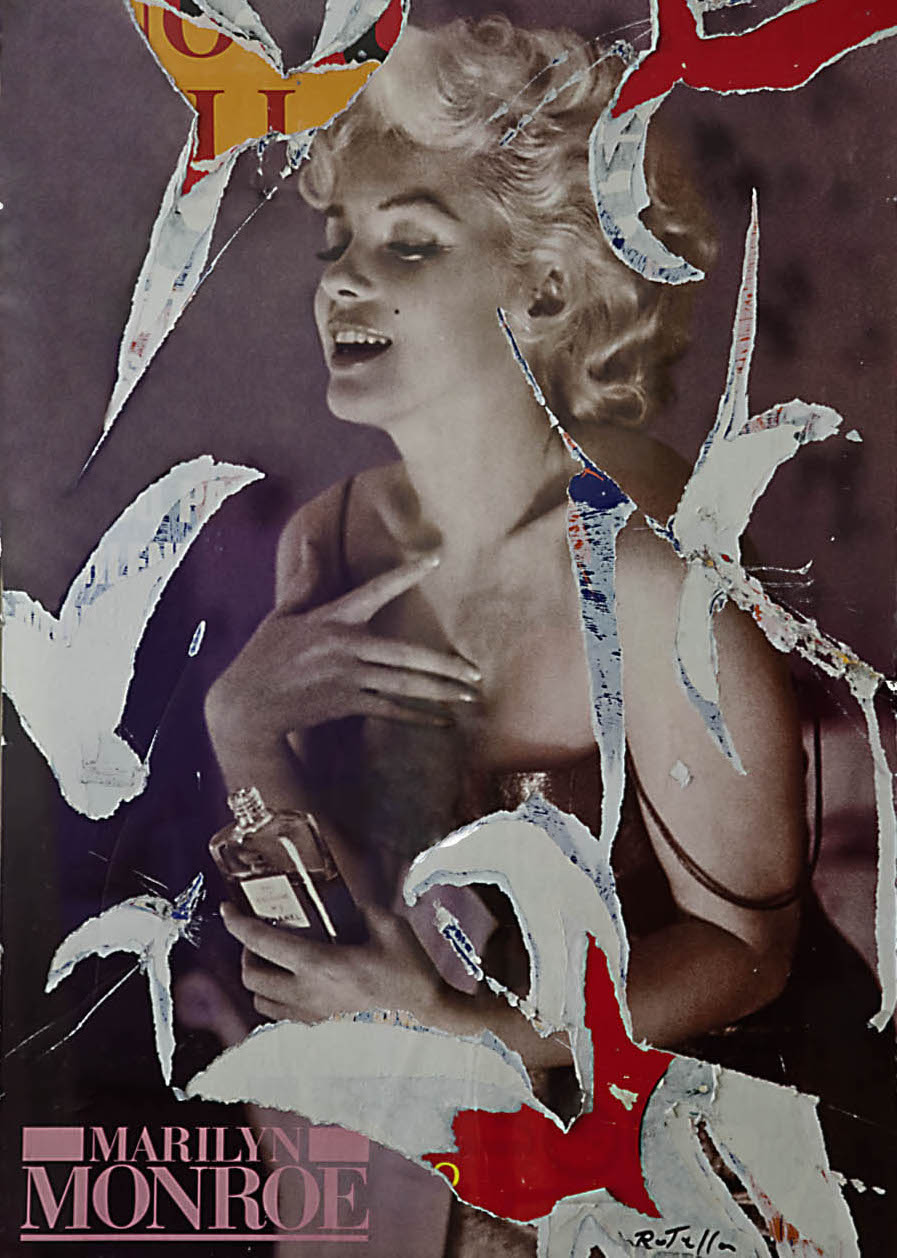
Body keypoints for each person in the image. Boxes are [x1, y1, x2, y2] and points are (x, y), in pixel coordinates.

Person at [202, 16, 894, 1253]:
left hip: (702, 1146)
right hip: (453, 1147)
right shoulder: (331, 541)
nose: (340, 281)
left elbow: (747, 955)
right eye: (335, 242)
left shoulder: (649, 579)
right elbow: (327, 937)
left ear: (545, 287)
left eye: (407, 241)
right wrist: (238, 728)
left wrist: (469, 1032)